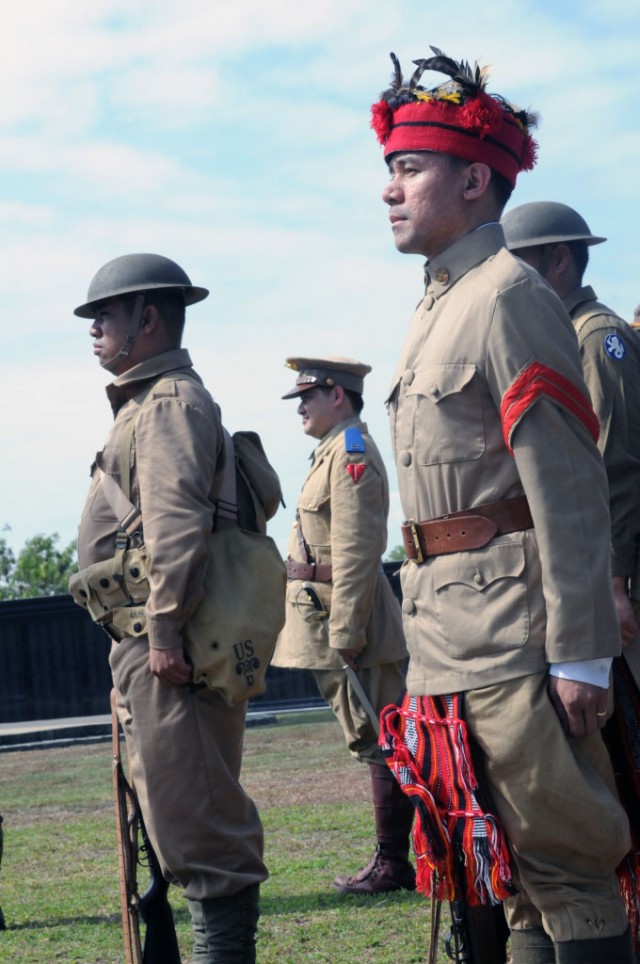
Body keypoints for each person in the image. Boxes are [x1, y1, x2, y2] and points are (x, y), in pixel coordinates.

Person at [372, 46, 633, 962]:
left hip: (520, 634)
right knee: (513, 875)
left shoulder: (509, 295)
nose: (390, 190)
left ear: (475, 179)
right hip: (452, 636)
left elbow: (565, 485)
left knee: (567, 868)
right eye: (391, 170)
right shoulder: (437, 305)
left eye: (409, 168)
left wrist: (582, 654)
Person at [71, 254, 266, 963]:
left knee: (203, 828)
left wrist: (160, 635)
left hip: (173, 649)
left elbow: (177, 528)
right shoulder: (147, 404)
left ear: (147, 319)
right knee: (179, 821)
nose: (93, 328)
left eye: (106, 315)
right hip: (152, 645)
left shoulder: (170, 404)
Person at [272, 355, 414, 895]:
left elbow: (356, 550)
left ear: (339, 396)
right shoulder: (331, 452)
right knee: (372, 739)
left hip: (349, 623)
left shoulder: (352, 453)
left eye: (309, 395)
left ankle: (397, 862)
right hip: (328, 617)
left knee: (384, 740)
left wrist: (347, 630)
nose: (300, 406)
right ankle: (398, 858)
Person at [502, 201, 640, 684]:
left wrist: (613, 584)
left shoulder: (596, 337)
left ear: (559, 260)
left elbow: (615, 466)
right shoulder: (558, 337)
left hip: (619, 579)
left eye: (519, 262)